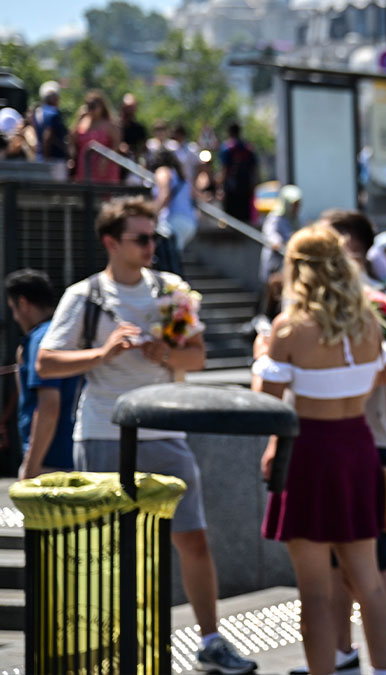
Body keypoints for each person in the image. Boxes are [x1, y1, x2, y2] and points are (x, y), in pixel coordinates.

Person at [35, 197, 257, 673]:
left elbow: (196, 357)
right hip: (103, 432)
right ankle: (107, 648)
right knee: (104, 547)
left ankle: (210, 641)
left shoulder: (170, 290)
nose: (150, 246)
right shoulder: (85, 295)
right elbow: (46, 362)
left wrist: (165, 354)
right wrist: (102, 354)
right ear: (111, 243)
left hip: (165, 430)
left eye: (153, 237)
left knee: (193, 538)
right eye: (140, 238)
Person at [253, 225, 386, 675]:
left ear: (297, 269)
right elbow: (372, 380)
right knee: (369, 581)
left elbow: (266, 405)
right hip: (357, 446)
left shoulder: (288, 328)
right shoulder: (368, 322)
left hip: (309, 452)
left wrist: (261, 356)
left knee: (315, 591)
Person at [316, 209, 386, 675]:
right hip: (324, 440)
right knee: (333, 557)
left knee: (380, 551)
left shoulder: (382, 302)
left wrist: (342, 376)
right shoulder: (316, 302)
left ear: (351, 245)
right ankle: (341, 652)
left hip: (372, 437)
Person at [5, 269, 80, 479]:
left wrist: (32, 464)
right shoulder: (61, 334)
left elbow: (48, 407)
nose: (15, 317)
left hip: (52, 461)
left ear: (23, 304)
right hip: (68, 454)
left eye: (13, 309)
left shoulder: (42, 341)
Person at [149, 148, 198, 259]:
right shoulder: (181, 176)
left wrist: (151, 214)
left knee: (167, 259)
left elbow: (165, 195)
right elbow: (195, 195)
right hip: (190, 223)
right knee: (173, 258)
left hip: (173, 222)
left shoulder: (163, 171)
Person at [69, 91, 121, 184]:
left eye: (93, 106)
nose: (91, 109)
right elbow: (72, 139)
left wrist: (106, 159)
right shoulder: (82, 122)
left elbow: (116, 145)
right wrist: (78, 119)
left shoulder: (109, 124)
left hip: (104, 167)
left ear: (101, 107)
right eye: (89, 106)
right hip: (85, 165)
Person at [260, 185, 302, 283]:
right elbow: (270, 233)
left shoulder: (297, 219)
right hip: (276, 262)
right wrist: (277, 242)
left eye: (298, 204)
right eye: (294, 204)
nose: (296, 207)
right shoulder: (275, 218)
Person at [219, 122, 258, 224]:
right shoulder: (248, 148)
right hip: (246, 189)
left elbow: (224, 170)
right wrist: (253, 187)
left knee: (231, 221)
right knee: (245, 220)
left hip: (231, 190)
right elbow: (254, 170)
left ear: (229, 132)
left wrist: (221, 188)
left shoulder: (226, 148)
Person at [32, 80, 69, 179]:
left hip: (39, 158)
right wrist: (47, 160)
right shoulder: (54, 113)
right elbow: (47, 136)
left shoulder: (37, 112)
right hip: (54, 160)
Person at [117, 93, 147, 182]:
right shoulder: (113, 126)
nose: (129, 110)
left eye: (132, 107)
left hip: (132, 167)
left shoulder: (139, 128)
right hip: (114, 165)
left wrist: (136, 154)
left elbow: (143, 148)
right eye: (127, 107)